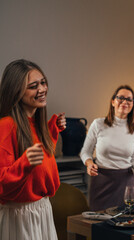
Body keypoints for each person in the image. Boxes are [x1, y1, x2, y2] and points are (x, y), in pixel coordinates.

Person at [0, 59, 66, 240]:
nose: (42, 89)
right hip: (20, 215)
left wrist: (52, 131)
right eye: (33, 86)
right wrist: (24, 164)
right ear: (16, 91)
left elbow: (43, 165)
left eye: (43, 83)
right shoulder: (6, 126)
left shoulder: (37, 125)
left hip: (43, 209)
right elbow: (2, 183)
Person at [80, 85, 134, 211]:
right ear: (113, 101)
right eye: (121, 98)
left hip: (126, 185)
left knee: (126, 224)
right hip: (101, 182)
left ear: (133, 105)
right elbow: (85, 152)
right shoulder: (98, 124)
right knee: (98, 225)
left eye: (129, 99)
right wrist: (89, 163)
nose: (125, 102)